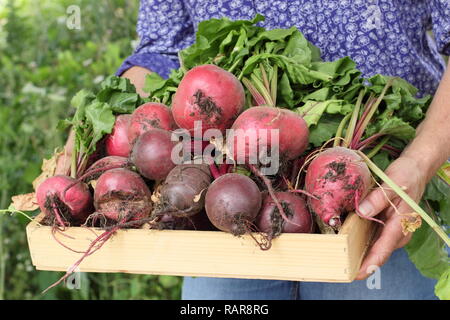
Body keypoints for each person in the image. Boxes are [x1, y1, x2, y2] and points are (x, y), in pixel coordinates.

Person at [115, 0, 450, 299]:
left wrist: (420, 163)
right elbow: (161, 51)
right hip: (225, 215)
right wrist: (114, 121)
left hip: (380, 195)